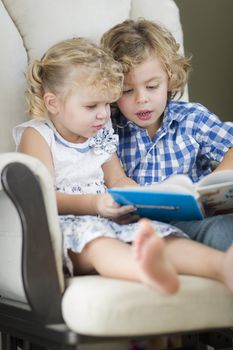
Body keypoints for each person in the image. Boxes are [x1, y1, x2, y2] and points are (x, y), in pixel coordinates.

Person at [13, 37, 233, 296]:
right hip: (70, 228)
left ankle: (221, 265)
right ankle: (148, 272)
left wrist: (143, 199)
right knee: (100, 243)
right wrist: (95, 204)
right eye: (92, 106)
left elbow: (117, 180)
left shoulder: (100, 133)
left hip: (111, 219)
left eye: (108, 104)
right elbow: (40, 196)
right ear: (53, 103)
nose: (105, 114)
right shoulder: (38, 136)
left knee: (161, 235)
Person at [101, 19, 233, 251]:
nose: (142, 98)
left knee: (223, 229)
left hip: (198, 222)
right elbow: (116, 181)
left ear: (169, 79)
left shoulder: (192, 118)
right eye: (127, 91)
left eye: (152, 86)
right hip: (144, 229)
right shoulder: (108, 129)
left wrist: (213, 185)